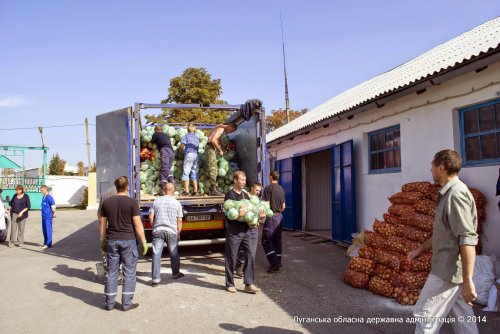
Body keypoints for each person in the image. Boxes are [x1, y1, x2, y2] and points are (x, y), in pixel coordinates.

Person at [408, 150, 478, 334]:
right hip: (453, 272)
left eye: (432, 165)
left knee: (425, 316)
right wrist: (420, 250)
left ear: (442, 167)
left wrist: (468, 279)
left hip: (447, 271)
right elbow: (444, 233)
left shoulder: (456, 195)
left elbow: (467, 239)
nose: (430, 169)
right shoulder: (448, 194)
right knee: (464, 321)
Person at [99, 176, 148, 311]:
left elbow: (102, 224)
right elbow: (138, 224)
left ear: (116, 187)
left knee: (112, 271)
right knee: (129, 272)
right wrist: (144, 241)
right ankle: (126, 304)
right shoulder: (132, 203)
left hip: (112, 240)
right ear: (127, 187)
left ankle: (109, 303)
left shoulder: (107, 203)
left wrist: (102, 240)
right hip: (128, 240)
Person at [224, 171, 263, 293]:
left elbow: (251, 212)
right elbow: (227, 215)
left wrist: (259, 217)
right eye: (241, 180)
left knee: (250, 254)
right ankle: (230, 283)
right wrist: (237, 216)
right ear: (235, 180)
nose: (244, 182)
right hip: (234, 231)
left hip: (246, 230)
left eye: (245, 180)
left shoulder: (245, 195)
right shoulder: (230, 195)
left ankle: (249, 283)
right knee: (232, 256)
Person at [149, 182, 184, 286]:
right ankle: (175, 273)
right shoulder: (176, 203)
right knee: (174, 253)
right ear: (172, 190)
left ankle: (155, 279)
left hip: (158, 230)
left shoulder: (156, 201)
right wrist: (178, 232)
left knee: (156, 254)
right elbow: (180, 221)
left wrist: (153, 227)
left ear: (164, 190)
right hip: (171, 231)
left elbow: (151, 217)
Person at [235, 182, 262, 278]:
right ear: (252, 188)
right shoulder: (245, 197)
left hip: (254, 229)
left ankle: (247, 272)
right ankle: (238, 266)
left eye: (259, 190)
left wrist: (261, 218)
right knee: (243, 251)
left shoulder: (258, 200)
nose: (258, 192)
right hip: (245, 228)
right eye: (256, 190)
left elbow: (260, 215)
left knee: (252, 253)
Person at [262, 171, 286, 273]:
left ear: (270, 177)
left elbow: (266, 205)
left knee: (266, 240)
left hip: (271, 217)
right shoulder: (281, 189)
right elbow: (283, 206)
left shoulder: (268, 188)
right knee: (277, 240)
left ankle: (274, 263)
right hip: (279, 216)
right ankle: (278, 261)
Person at [206, 123, 237, 196]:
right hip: (211, 148)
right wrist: (219, 150)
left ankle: (213, 188)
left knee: (214, 167)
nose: (230, 132)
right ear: (230, 126)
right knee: (213, 168)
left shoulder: (220, 127)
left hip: (211, 148)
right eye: (231, 130)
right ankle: (213, 189)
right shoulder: (221, 129)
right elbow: (213, 140)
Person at [149, 125, 175, 192]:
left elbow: (150, 145)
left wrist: (149, 147)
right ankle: (167, 188)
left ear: (156, 130)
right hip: (171, 152)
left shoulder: (156, 134)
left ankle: (166, 182)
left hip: (165, 150)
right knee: (167, 167)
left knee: (164, 167)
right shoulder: (166, 135)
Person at [180, 123, 200, 196]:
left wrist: (181, 151)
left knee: (186, 172)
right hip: (196, 155)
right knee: (194, 172)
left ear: (187, 129)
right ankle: (195, 191)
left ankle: (187, 191)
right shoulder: (197, 138)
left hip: (189, 155)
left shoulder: (186, 136)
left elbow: (182, 146)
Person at [40, 185, 56, 250]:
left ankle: (48, 244)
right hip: (43, 216)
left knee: (48, 230)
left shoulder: (49, 197)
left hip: (48, 217)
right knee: (44, 230)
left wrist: (53, 213)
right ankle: (45, 242)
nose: (41, 191)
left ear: (45, 189)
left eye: (41, 190)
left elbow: (53, 206)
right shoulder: (43, 197)